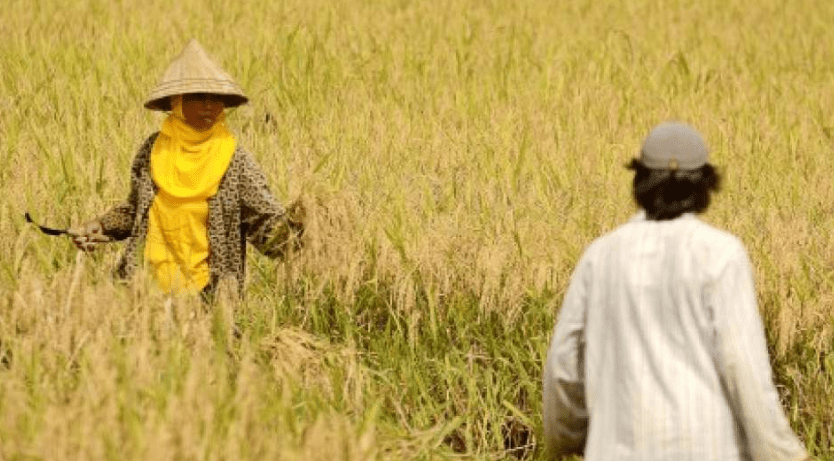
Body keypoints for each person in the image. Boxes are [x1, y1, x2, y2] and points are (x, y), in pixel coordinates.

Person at [542, 122, 809, 461]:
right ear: (705, 184)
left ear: (640, 180)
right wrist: (781, 454)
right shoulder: (721, 254)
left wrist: (565, 440)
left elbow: (563, 364)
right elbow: (743, 366)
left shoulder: (600, 256)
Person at [70, 39, 304, 300]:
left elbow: (266, 225)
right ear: (176, 102)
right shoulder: (153, 150)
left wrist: (308, 230)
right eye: (197, 97)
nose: (208, 105)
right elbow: (136, 211)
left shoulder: (235, 162)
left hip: (208, 297)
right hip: (143, 290)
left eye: (215, 98)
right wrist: (100, 227)